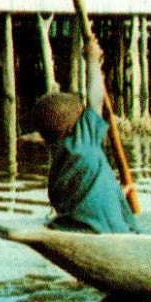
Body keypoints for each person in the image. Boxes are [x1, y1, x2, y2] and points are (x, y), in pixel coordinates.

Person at [29, 30, 140, 234]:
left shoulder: (58, 166)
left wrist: (117, 193)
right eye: (82, 115)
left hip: (83, 227)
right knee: (138, 232)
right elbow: (95, 98)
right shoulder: (82, 141)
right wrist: (92, 61)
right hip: (112, 231)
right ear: (75, 126)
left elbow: (86, 198)